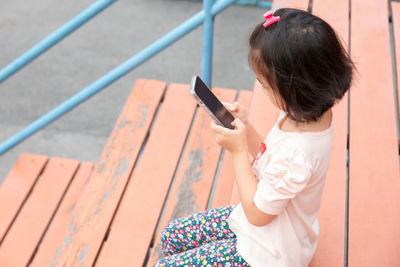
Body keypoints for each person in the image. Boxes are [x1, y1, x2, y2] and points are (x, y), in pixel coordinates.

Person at [153, 7, 354, 267]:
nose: (261, 87)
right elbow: (271, 154)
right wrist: (244, 129)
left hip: (266, 254)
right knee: (172, 236)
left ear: (295, 89)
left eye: (265, 84)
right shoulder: (307, 113)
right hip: (262, 232)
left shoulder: (299, 154)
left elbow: (257, 214)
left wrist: (237, 151)